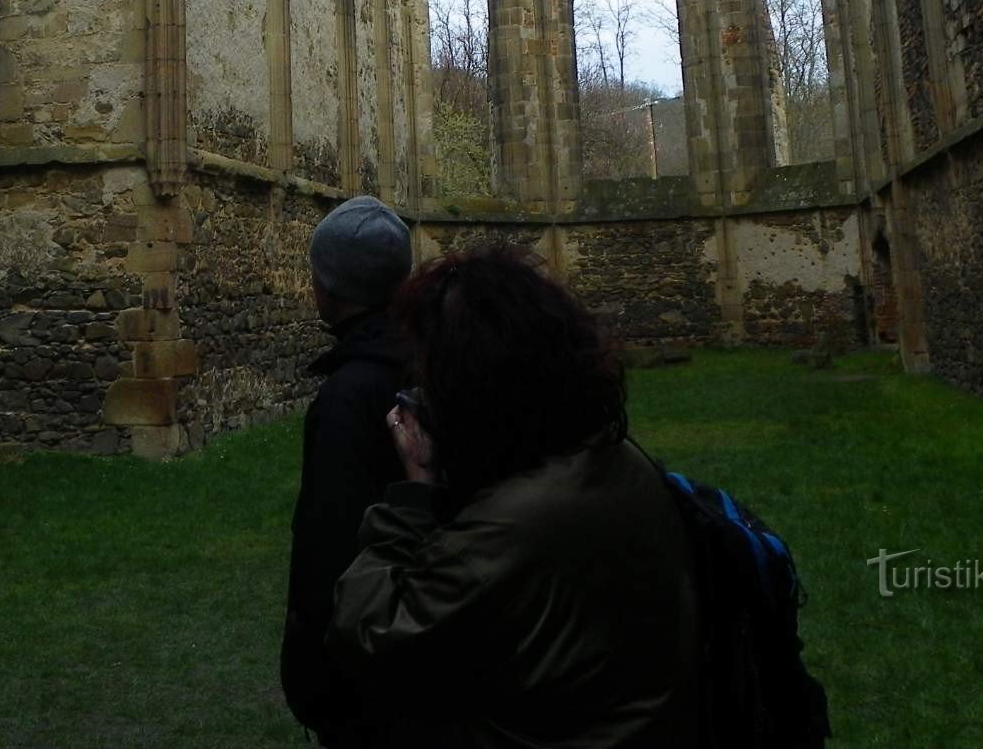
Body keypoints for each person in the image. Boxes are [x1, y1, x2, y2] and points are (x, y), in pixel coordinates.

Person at [325, 249, 700, 748]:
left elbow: (370, 632)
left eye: (432, 370)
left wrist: (416, 487)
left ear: (474, 382)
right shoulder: (616, 457)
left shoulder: (512, 526)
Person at [280, 195, 412, 746]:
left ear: (328, 288)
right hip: (421, 653)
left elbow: (329, 550)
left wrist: (315, 683)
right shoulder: (429, 366)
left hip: (359, 679)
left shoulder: (346, 399)